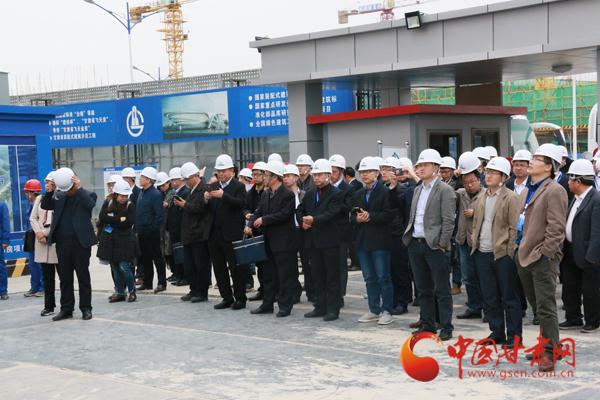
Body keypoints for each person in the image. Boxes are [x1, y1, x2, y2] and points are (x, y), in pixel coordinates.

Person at [516, 143, 568, 372]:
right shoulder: (528, 189)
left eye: (537, 159)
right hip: (524, 254)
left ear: (549, 167)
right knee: (537, 306)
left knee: (546, 307)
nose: (531, 161)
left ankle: (551, 352)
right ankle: (547, 344)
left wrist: (546, 254)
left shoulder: (555, 190)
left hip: (542, 257)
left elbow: (557, 227)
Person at [403, 149, 456, 341]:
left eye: (425, 165)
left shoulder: (445, 190)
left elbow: (449, 221)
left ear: (436, 167)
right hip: (415, 243)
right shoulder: (418, 189)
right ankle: (427, 324)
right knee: (423, 288)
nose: (420, 168)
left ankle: (446, 326)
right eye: (419, 165)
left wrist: (442, 244)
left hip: (434, 246)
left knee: (442, 289)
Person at [471, 157, 522, 348]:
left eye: (493, 173)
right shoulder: (482, 196)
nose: (488, 175)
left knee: (509, 297)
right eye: (487, 172)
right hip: (482, 252)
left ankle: (514, 336)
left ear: (503, 177)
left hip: (502, 254)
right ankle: (497, 332)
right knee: (490, 296)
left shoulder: (511, 197)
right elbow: (477, 223)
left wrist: (509, 251)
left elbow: (513, 227)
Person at [41, 167, 97, 321]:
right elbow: (45, 205)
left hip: (81, 244)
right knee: (65, 279)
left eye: (69, 189)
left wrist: (79, 188)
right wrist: (50, 190)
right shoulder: (59, 196)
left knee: (83, 277)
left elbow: (90, 205)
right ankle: (66, 309)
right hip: (62, 244)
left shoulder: (87, 194)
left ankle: (86, 308)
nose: (67, 192)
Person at [247, 160, 298, 317]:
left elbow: (284, 214)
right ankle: (267, 304)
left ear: (275, 177)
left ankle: (285, 306)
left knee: (284, 276)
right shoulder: (266, 193)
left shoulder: (287, 194)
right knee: (269, 276)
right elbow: (259, 210)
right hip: (268, 241)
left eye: (267, 175)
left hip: (284, 242)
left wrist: (264, 220)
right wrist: (250, 224)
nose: (264, 177)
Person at [297, 159, 343, 321]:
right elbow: (300, 209)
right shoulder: (310, 193)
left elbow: (332, 213)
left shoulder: (336, 193)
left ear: (328, 175)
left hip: (329, 241)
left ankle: (333, 309)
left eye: (319, 175)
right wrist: (302, 221)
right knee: (317, 275)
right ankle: (320, 306)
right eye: (314, 175)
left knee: (332, 277)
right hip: (313, 241)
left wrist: (313, 220)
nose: (316, 178)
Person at [352, 156, 394, 326]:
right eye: (362, 172)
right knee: (369, 278)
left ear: (377, 173)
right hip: (363, 241)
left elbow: (389, 214)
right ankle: (374, 309)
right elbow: (350, 214)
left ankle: (387, 310)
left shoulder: (385, 192)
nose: (364, 175)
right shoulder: (358, 193)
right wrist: (357, 219)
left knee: (383, 277)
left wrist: (371, 216)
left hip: (380, 241)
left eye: (368, 171)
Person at [560, 159, 600, 333]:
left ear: (578, 180)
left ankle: (593, 321)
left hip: (588, 254)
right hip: (571, 250)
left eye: (570, 179)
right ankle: (573, 317)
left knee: (590, 290)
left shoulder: (596, 199)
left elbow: (597, 231)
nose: (568, 182)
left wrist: (591, 257)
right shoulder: (575, 198)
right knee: (569, 287)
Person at [207, 154, 248, 310]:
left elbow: (241, 204)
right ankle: (226, 297)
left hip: (231, 233)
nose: (221, 174)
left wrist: (224, 196)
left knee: (235, 267)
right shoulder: (213, 185)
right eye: (219, 171)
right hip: (214, 233)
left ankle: (240, 298)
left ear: (232, 171)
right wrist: (206, 198)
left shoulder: (239, 186)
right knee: (219, 267)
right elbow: (207, 208)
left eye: (224, 171)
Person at [175, 162, 211, 303]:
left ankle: (202, 292)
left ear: (195, 177)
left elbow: (201, 208)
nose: (186, 182)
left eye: (187, 179)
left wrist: (185, 205)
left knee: (200, 265)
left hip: (199, 234)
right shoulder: (192, 190)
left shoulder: (203, 189)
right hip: (189, 233)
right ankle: (194, 289)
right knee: (190, 265)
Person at [454, 152, 484, 320]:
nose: (469, 185)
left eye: (472, 181)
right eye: (466, 182)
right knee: (468, 276)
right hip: (463, 241)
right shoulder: (460, 193)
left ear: (480, 180)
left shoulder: (486, 194)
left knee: (483, 276)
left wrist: (476, 212)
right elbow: (447, 192)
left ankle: (487, 307)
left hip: (480, 242)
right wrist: (455, 176)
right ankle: (473, 307)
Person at [97, 180, 138, 303]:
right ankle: (120, 292)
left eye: (126, 196)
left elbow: (128, 223)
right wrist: (119, 219)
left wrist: (113, 220)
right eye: (122, 196)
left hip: (125, 240)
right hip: (111, 240)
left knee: (124, 267)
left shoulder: (130, 205)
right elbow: (103, 217)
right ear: (116, 195)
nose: (124, 198)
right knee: (115, 267)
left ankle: (132, 291)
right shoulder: (108, 203)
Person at [29, 172, 59, 315]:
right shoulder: (40, 198)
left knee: (64, 277)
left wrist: (46, 234)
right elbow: (33, 218)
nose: (47, 184)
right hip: (41, 240)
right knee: (47, 277)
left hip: (55, 241)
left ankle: (66, 306)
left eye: (50, 182)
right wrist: (39, 233)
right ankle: (49, 306)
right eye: (46, 182)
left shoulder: (60, 198)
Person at [135, 167, 168, 293]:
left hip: (151, 232)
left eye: (142, 177)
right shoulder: (142, 193)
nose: (140, 179)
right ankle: (147, 282)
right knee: (145, 258)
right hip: (142, 231)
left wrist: (152, 229)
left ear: (149, 180)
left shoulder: (156, 194)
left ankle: (162, 283)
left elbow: (159, 216)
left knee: (157, 257)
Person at [329, 154, 355, 307]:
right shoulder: (324, 188)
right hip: (326, 231)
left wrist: (334, 201)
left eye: (333, 171)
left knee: (340, 265)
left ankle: (340, 295)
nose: (331, 175)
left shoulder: (348, 189)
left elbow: (348, 208)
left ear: (341, 172)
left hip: (341, 232)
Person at [283, 163, 307, 303]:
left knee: (307, 262)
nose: (286, 179)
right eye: (284, 176)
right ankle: (294, 292)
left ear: (296, 178)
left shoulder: (304, 194)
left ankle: (311, 291)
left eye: (289, 176)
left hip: (302, 231)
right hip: (288, 231)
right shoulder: (282, 195)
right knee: (291, 264)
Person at [245, 161, 268, 302]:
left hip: (268, 230)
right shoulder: (251, 192)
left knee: (269, 264)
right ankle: (262, 290)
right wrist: (247, 214)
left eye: (258, 174)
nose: (255, 177)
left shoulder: (268, 191)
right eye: (253, 174)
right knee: (259, 263)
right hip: (255, 231)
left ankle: (271, 290)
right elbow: (245, 207)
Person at [166, 167, 189, 286]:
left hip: (181, 228)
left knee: (182, 254)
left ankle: (185, 276)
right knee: (177, 254)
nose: (172, 182)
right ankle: (179, 275)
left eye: (173, 180)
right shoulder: (176, 192)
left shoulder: (185, 192)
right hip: (175, 229)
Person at [23, 179, 45, 297]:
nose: (26, 194)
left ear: (32, 192)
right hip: (31, 236)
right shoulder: (31, 204)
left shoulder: (40, 204)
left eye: (27, 192)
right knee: (33, 263)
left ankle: (43, 287)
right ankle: (34, 287)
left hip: (38, 236)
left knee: (40, 263)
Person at [0, 198, 11, 300]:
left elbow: (5, 223)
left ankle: (3, 291)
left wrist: (5, 240)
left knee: (0, 266)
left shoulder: (2, 205)